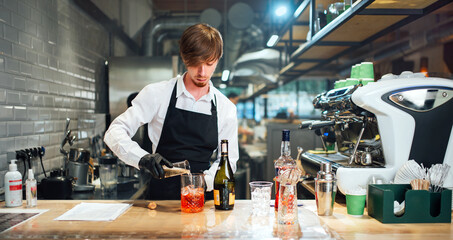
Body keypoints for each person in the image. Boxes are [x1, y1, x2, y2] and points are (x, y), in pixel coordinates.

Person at [104, 23, 239, 200]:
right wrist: (143, 158)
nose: (202, 72)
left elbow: (229, 160)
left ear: (218, 59)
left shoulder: (225, 107)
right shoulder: (157, 94)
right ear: (184, 58)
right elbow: (114, 132)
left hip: (201, 202)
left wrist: (203, 182)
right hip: (161, 203)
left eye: (209, 63)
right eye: (195, 63)